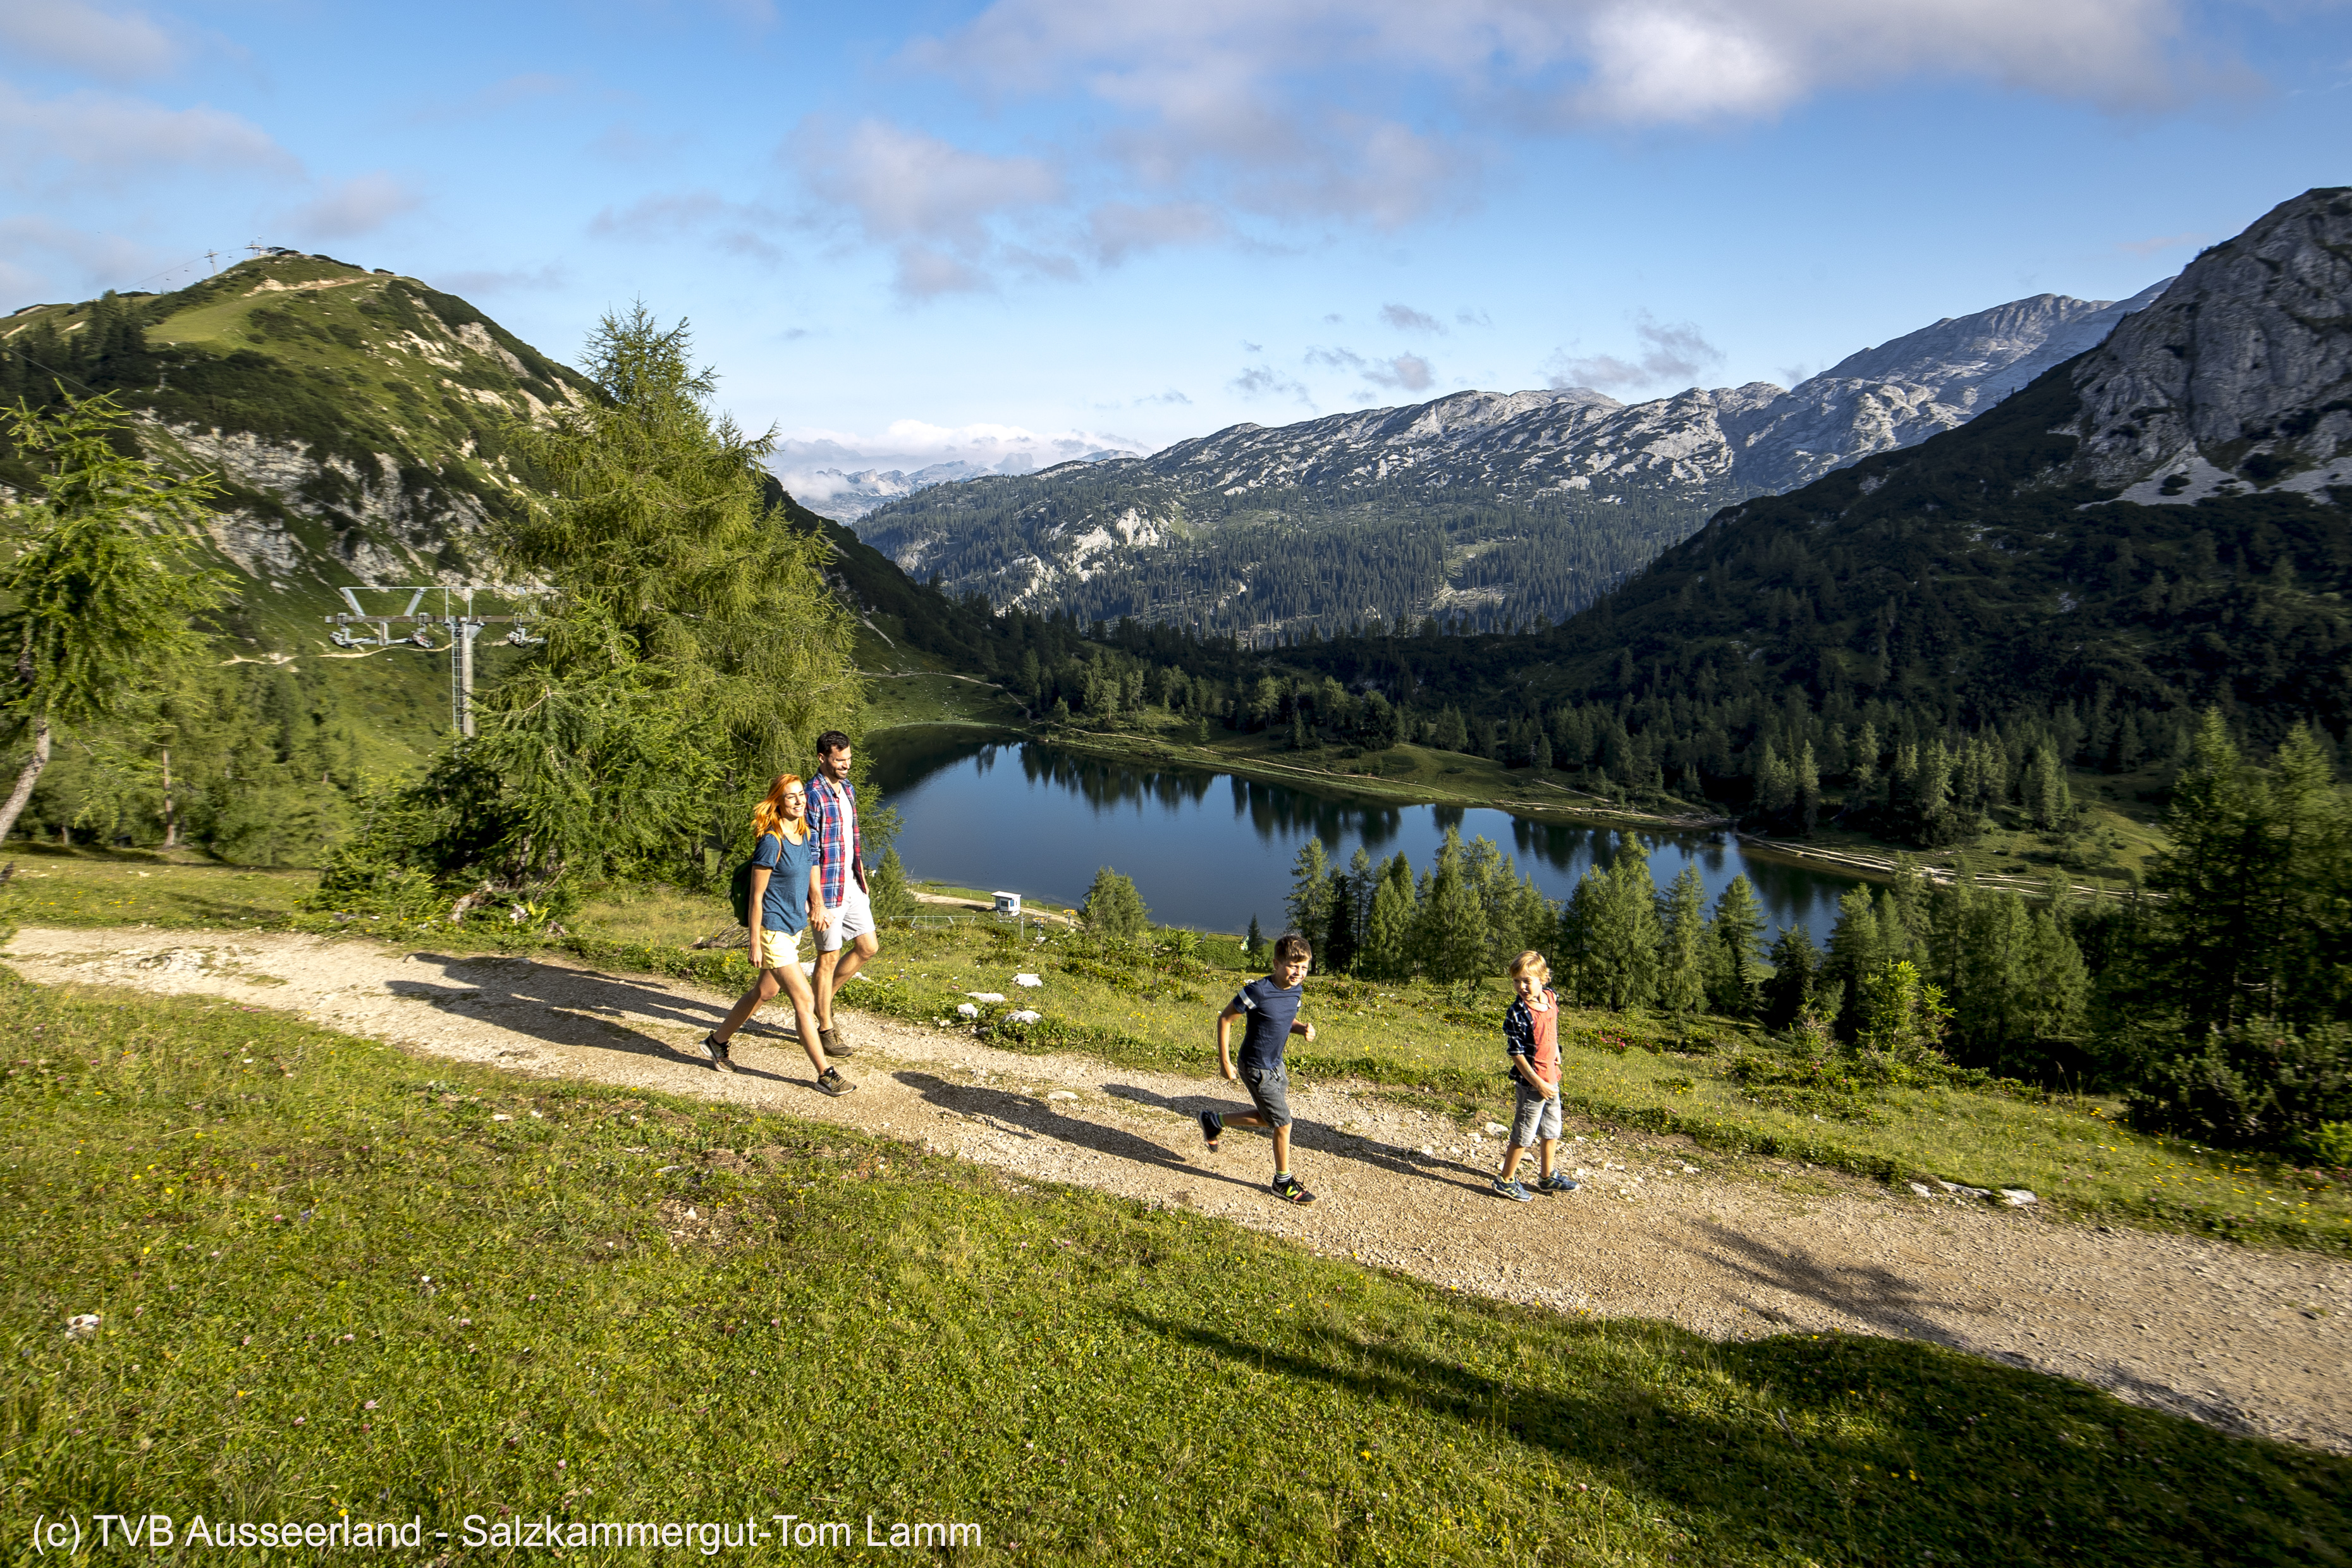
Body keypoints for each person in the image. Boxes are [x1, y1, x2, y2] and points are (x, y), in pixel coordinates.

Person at [702, 774, 853, 1096]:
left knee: (764, 993)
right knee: (805, 999)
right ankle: (825, 1074)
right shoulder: (772, 841)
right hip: (773, 931)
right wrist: (755, 942)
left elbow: (811, 870)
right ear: (777, 802)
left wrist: (818, 905)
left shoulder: (803, 833)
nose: (799, 801)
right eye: (791, 797)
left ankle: (716, 1042)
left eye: (801, 795)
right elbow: (756, 898)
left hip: (793, 928)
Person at [1199, 931, 1319, 1205]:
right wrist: (1224, 1062)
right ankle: (1283, 1182)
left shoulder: (1296, 990)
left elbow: (1285, 1018)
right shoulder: (1258, 991)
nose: (1298, 973)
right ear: (1276, 964)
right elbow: (1225, 1019)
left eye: (1304, 967)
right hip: (1255, 1066)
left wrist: (1302, 1029)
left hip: (1277, 1065)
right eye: (1292, 966)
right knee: (1284, 1123)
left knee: (1270, 1119)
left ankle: (1213, 1121)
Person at [805, 730, 879, 1060]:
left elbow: (851, 841)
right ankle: (824, 1026)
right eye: (839, 760)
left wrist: (860, 877)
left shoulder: (847, 788)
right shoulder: (812, 795)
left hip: (850, 882)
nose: (846, 766)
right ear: (822, 758)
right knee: (829, 957)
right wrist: (816, 901)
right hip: (826, 890)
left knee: (867, 947)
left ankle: (817, 1005)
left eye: (849, 759)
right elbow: (808, 854)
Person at [1495, 950, 1576, 1200]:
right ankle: (1505, 1180)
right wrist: (1538, 1082)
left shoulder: (1551, 999)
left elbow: (1550, 1027)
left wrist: (1556, 1051)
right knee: (1524, 1134)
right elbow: (1516, 1053)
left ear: (1544, 979)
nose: (1521, 986)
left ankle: (1547, 1176)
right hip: (1532, 1083)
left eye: (1527, 981)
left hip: (1552, 1078)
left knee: (1551, 1129)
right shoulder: (1518, 1012)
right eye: (1517, 981)